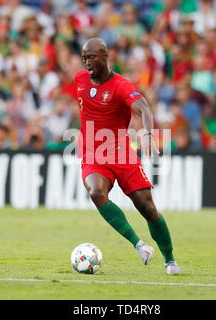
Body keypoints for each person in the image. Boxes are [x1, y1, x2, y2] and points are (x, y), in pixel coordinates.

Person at [74, 38, 180, 274]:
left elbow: (143, 107)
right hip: (93, 154)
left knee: (147, 208)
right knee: (96, 192)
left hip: (121, 153)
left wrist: (149, 134)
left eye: (91, 57)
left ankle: (170, 260)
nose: (87, 62)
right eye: (84, 58)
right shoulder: (80, 79)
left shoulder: (121, 85)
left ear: (105, 56)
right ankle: (139, 244)